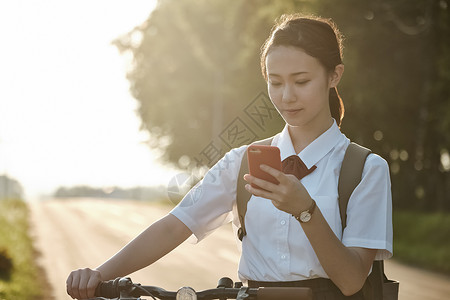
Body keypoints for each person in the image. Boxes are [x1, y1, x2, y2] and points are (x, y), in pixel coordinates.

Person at [66, 13, 392, 300]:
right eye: (275, 82)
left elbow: (351, 282)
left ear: (334, 76)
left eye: (301, 81)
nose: (287, 96)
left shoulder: (365, 170)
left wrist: (305, 210)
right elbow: (175, 226)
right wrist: (99, 275)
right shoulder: (242, 162)